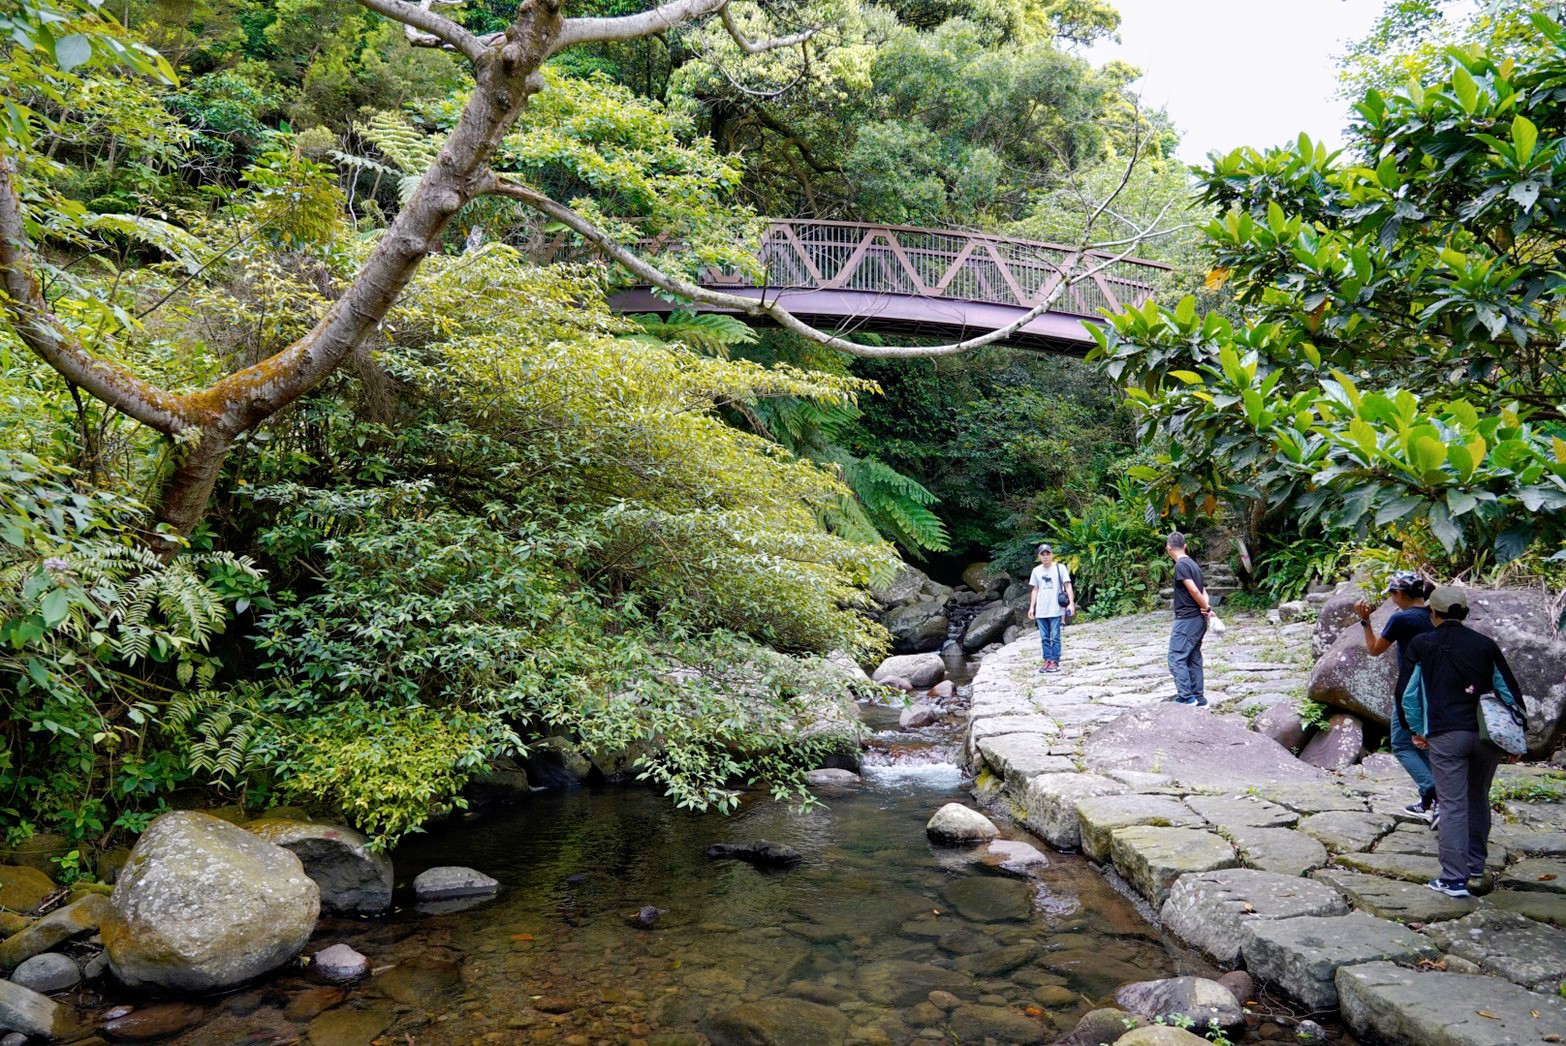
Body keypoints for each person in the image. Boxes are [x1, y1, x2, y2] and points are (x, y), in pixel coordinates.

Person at [1402, 585, 1525, 899]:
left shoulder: (1422, 644)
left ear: (1433, 614)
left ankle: (1454, 880)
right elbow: (1509, 693)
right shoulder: (1485, 645)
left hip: (1446, 734)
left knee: (1453, 804)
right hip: (1486, 736)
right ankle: (1475, 866)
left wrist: (1416, 729)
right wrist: (1516, 737)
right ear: (1465, 613)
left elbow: (1410, 695)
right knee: (1478, 797)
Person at [1353, 572, 1438, 823]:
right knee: (1423, 743)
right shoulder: (1435, 616)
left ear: (1399, 594)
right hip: (1436, 688)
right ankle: (1427, 799)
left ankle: (1437, 792)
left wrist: (1365, 621)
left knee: (1402, 743)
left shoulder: (1401, 618)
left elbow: (1374, 650)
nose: (1392, 600)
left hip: (1410, 691)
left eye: (1392, 595)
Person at [1164, 532, 1210, 706]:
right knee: (1192, 657)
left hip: (1187, 619)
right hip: (1197, 620)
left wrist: (1207, 607)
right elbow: (1203, 590)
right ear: (1185, 546)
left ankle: (1186, 697)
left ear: (1168, 548)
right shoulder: (1193, 565)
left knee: (1176, 657)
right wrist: (1207, 608)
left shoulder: (1181, 566)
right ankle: (1199, 698)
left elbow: (1194, 590)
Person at [1027, 543, 1075, 674]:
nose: (1045, 556)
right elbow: (1035, 589)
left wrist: (1071, 603)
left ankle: (1055, 660)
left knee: (1055, 636)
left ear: (1052, 554)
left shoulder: (1060, 568)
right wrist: (1032, 607)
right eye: (1043, 554)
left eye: (1048, 553)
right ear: (1039, 556)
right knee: (1044, 637)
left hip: (1055, 608)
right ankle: (1047, 659)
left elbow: (1068, 586)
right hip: (1041, 610)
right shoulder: (1036, 571)